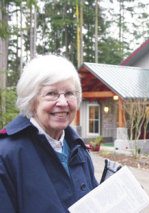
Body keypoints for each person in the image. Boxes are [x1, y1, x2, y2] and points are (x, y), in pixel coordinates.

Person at [0, 55, 98, 212]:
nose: (63, 102)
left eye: (69, 93)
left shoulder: (77, 148)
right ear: (32, 100)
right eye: (51, 93)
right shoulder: (6, 155)